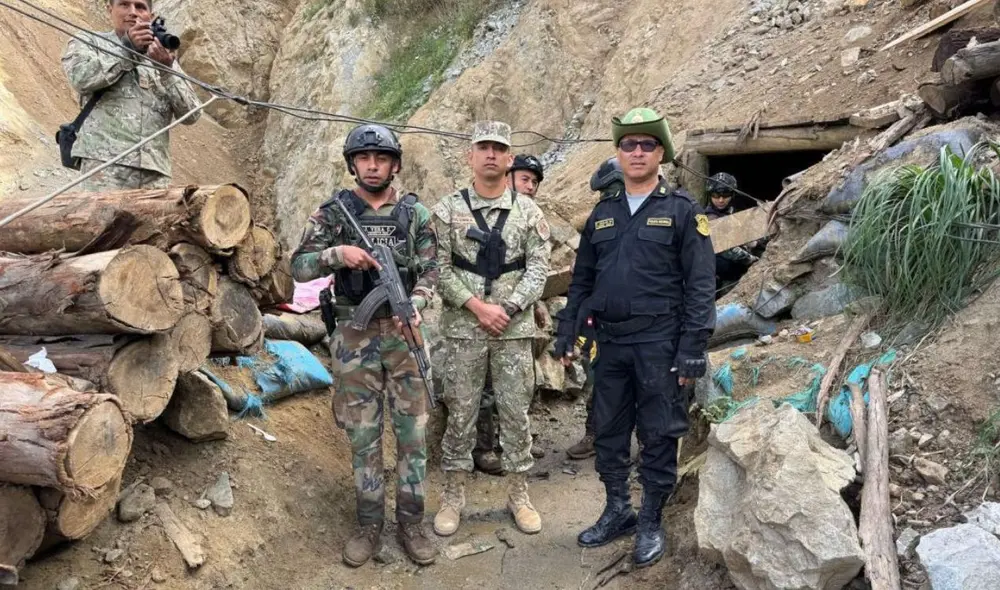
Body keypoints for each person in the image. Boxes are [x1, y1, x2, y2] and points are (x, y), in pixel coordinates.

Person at [553, 108, 716, 568]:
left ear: (660, 153)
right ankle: (618, 509)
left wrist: (692, 349)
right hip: (610, 344)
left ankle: (650, 519)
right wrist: (567, 331)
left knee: (659, 433)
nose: (637, 152)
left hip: (661, 344)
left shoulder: (682, 211)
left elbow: (701, 285)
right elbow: (581, 282)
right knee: (608, 431)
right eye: (629, 145)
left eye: (647, 145)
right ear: (619, 154)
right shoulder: (602, 215)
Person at [290, 124, 439, 568]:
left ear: (394, 164)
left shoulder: (416, 215)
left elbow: (434, 269)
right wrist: (338, 254)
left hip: (404, 333)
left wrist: (415, 301)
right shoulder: (334, 212)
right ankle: (368, 523)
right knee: (362, 434)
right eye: (364, 158)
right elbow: (298, 266)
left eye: (381, 158)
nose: (372, 165)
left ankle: (411, 523)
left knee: (412, 434)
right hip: (354, 336)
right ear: (352, 163)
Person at [433, 122, 552, 536]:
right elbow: (438, 268)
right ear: (470, 155)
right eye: (482, 147)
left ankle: (519, 495)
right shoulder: (446, 210)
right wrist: (478, 308)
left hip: (513, 331)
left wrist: (512, 306)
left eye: (498, 149)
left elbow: (539, 267)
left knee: (515, 413)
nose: (490, 154)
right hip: (465, 329)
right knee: (460, 413)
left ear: (508, 158)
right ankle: (452, 496)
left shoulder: (529, 212)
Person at [61, 0, 202, 191]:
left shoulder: (161, 56)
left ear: (150, 16)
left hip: (155, 172)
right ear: (110, 9)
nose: (133, 12)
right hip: (104, 165)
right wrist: (128, 50)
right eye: (124, 5)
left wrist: (166, 70)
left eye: (140, 7)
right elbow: (81, 79)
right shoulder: (89, 41)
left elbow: (192, 114)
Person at [473, 152, 547, 475]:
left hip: (517, 316)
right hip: (481, 315)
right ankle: (485, 447)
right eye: (524, 179)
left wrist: (532, 304)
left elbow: (533, 268)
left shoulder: (530, 215)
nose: (529, 187)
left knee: (518, 385)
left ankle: (515, 442)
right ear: (509, 176)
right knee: (485, 386)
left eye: (534, 182)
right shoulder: (479, 210)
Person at [564, 157, 625, 461]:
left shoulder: (658, 213)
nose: (609, 197)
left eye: (614, 189)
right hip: (601, 319)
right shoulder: (598, 221)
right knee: (597, 377)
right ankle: (595, 433)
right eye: (605, 192)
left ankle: (644, 442)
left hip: (645, 321)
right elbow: (583, 271)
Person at [704, 172, 757, 299]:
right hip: (715, 273)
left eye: (725, 195)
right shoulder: (709, 217)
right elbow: (727, 250)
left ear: (732, 195)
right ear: (710, 195)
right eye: (716, 195)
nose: (721, 200)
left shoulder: (733, 211)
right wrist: (753, 260)